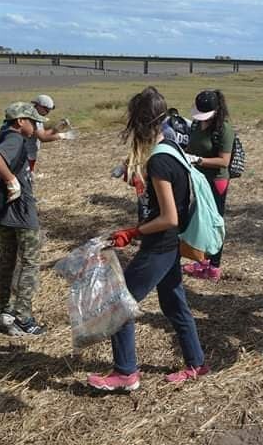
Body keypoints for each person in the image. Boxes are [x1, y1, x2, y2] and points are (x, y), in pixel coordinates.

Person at [87, 87, 208, 392]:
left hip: (161, 244)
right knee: (175, 305)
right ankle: (197, 363)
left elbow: (169, 216)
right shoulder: (171, 149)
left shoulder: (158, 161)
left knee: (119, 305)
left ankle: (126, 372)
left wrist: (133, 231)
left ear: (139, 124)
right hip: (170, 244)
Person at [0, 102, 48, 336]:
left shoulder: (1, 135)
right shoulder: (14, 139)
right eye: (32, 122)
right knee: (30, 263)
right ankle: (23, 317)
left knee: (7, 261)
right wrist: (12, 180)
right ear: (20, 121)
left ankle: (5, 311)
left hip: (4, 213)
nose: (35, 127)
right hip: (21, 213)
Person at [181, 90, 235, 281]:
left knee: (214, 222)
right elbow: (192, 145)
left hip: (216, 181)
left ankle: (214, 266)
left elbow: (224, 161)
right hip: (198, 179)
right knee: (199, 220)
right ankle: (201, 260)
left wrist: (198, 160)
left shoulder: (224, 129)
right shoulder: (196, 124)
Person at [26, 94, 72, 172]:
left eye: (49, 110)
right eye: (46, 109)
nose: (48, 112)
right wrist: (64, 135)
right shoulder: (33, 118)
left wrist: (59, 127)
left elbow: (43, 133)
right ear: (39, 106)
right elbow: (43, 137)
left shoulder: (37, 116)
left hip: (30, 154)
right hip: (25, 155)